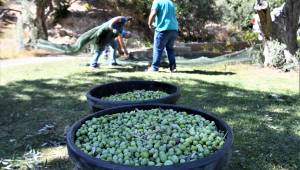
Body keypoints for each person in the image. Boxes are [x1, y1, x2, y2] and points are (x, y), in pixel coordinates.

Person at [147, 0, 179, 72]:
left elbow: (153, 13)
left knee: (157, 49)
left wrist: (149, 23)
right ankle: (173, 67)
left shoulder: (157, 2)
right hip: (174, 29)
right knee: (170, 49)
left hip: (163, 29)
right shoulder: (170, 2)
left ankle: (154, 68)